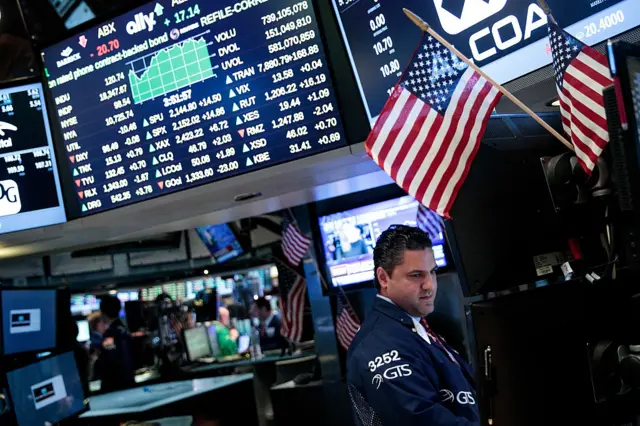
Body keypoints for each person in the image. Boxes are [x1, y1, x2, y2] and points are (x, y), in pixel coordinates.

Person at [347, 225, 479, 425]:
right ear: (383, 278)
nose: (430, 285)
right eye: (416, 275)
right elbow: (422, 419)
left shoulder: (415, 326)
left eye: (432, 272)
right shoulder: (377, 345)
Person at [97, 295, 136, 392]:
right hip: (129, 381)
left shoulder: (110, 334)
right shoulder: (124, 329)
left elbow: (109, 359)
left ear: (103, 313)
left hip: (115, 385)